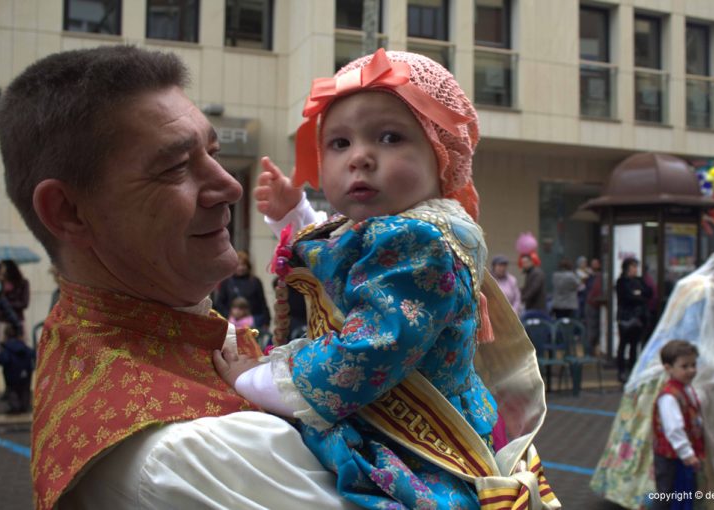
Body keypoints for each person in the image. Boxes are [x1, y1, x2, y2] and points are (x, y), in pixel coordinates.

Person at [0, 45, 356, 510]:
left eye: (213, 152)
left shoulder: (77, 335)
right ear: (68, 212)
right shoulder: (194, 453)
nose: (231, 186)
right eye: (173, 168)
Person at [214, 48, 559, 509]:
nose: (360, 157)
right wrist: (295, 214)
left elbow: (364, 352)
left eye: (390, 137)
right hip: (398, 412)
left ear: (441, 155)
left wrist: (254, 381)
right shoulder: (403, 228)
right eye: (339, 143)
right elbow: (345, 262)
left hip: (410, 441)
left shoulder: (421, 243)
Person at [591, 249, 714, 510]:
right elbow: (691, 330)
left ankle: (687, 492)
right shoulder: (702, 290)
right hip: (680, 360)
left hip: (683, 360)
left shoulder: (703, 288)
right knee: (672, 426)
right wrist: (700, 364)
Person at [652, 340, 703, 509]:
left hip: (682, 454)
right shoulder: (669, 396)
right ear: (668, 368)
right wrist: (687, 453)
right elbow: (673, 428)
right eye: (685, 366)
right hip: (671, 456)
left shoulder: (686, 389)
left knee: (686, 491)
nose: (691, 370)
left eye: (693, 365)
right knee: (668, 494)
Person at [616, 257, 653, 382]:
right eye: (633, 267)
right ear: (627, 268)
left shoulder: (639, 280)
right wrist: (638, 295)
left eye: (636, 267)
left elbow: (648, 292)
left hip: (639, 317)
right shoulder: (622, 282)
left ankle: (632, 369)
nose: (635, 269)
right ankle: (621, 371)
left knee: (634, 345)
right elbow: (627, 297)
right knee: (623, 344)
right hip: (626, 317)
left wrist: (638, 294)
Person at [215, 250, 272, 330]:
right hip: (230, 322)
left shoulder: (255, 281)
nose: (241, 268)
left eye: (243, 265)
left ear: (248, 266)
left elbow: (262, 302)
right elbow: (220, 303)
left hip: (252, 323)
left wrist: (266, 321)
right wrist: (229, 316)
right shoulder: (226, 282)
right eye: (238, 265)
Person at [0, 323, 35, 414]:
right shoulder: (25, 347)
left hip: (11, 375)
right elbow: (33, 354)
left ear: (6, 335)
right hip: (26, 374)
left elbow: (4, 360)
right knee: (25, 391)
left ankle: (15, 407)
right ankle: (24, 406)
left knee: (12, 392)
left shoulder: (6, 348)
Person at [584, 258, 603, 354]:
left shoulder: (597, 276)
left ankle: (590, 351)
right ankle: (589, 352)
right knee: (592, 328)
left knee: (593, 328)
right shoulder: (595, 277)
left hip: (592, 303)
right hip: (592, 304)